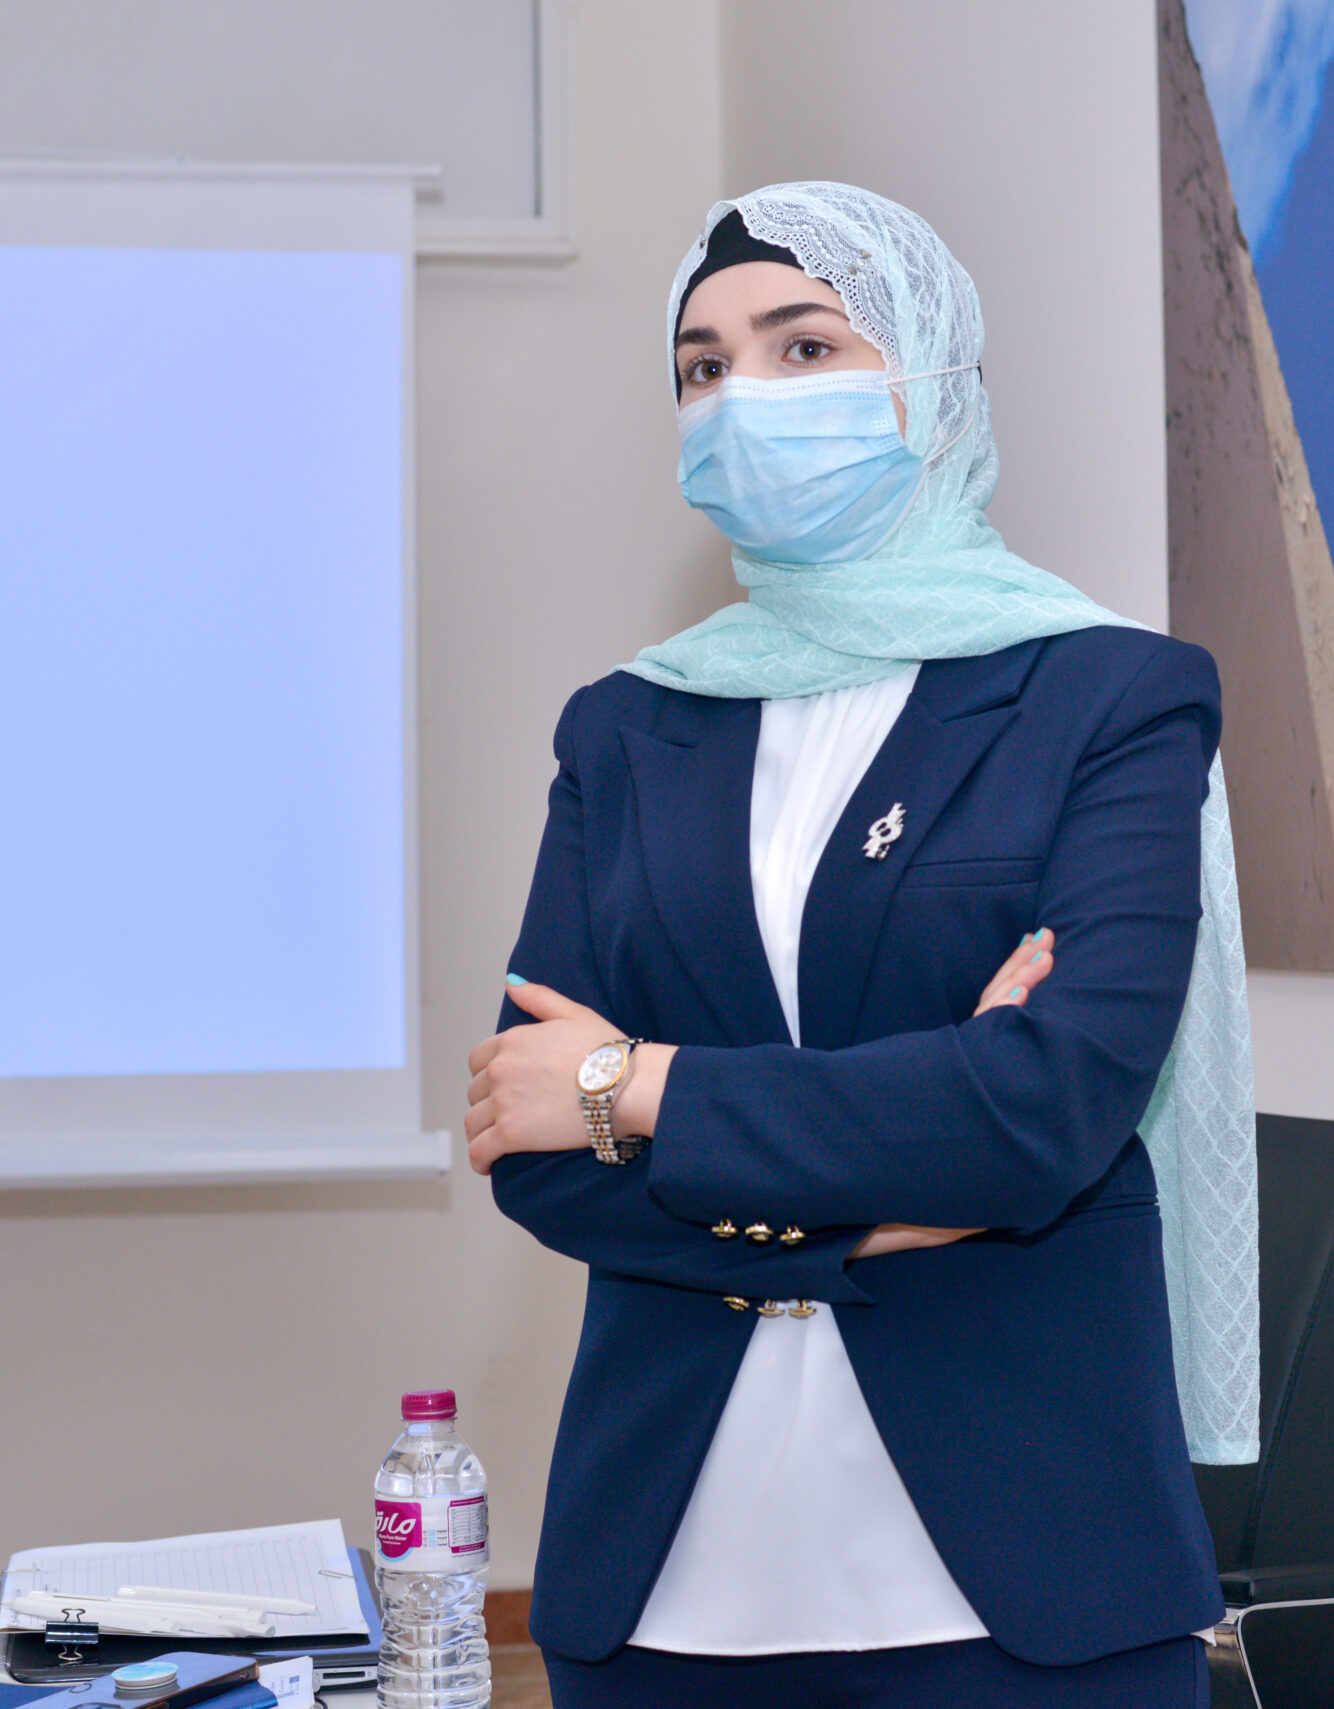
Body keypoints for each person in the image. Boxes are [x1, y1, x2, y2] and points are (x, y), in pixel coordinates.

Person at [465, 182, 1258, 1708]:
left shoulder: (1108, 699)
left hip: (1024, 1580)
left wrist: (635, 1085)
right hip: (666, 1588)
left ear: (933, 379)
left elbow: (1048, 1107)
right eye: (703, 367)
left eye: (805, 346)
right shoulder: (624, 728)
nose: (744, 398)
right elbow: (535, 1144)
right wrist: (900, 1192)